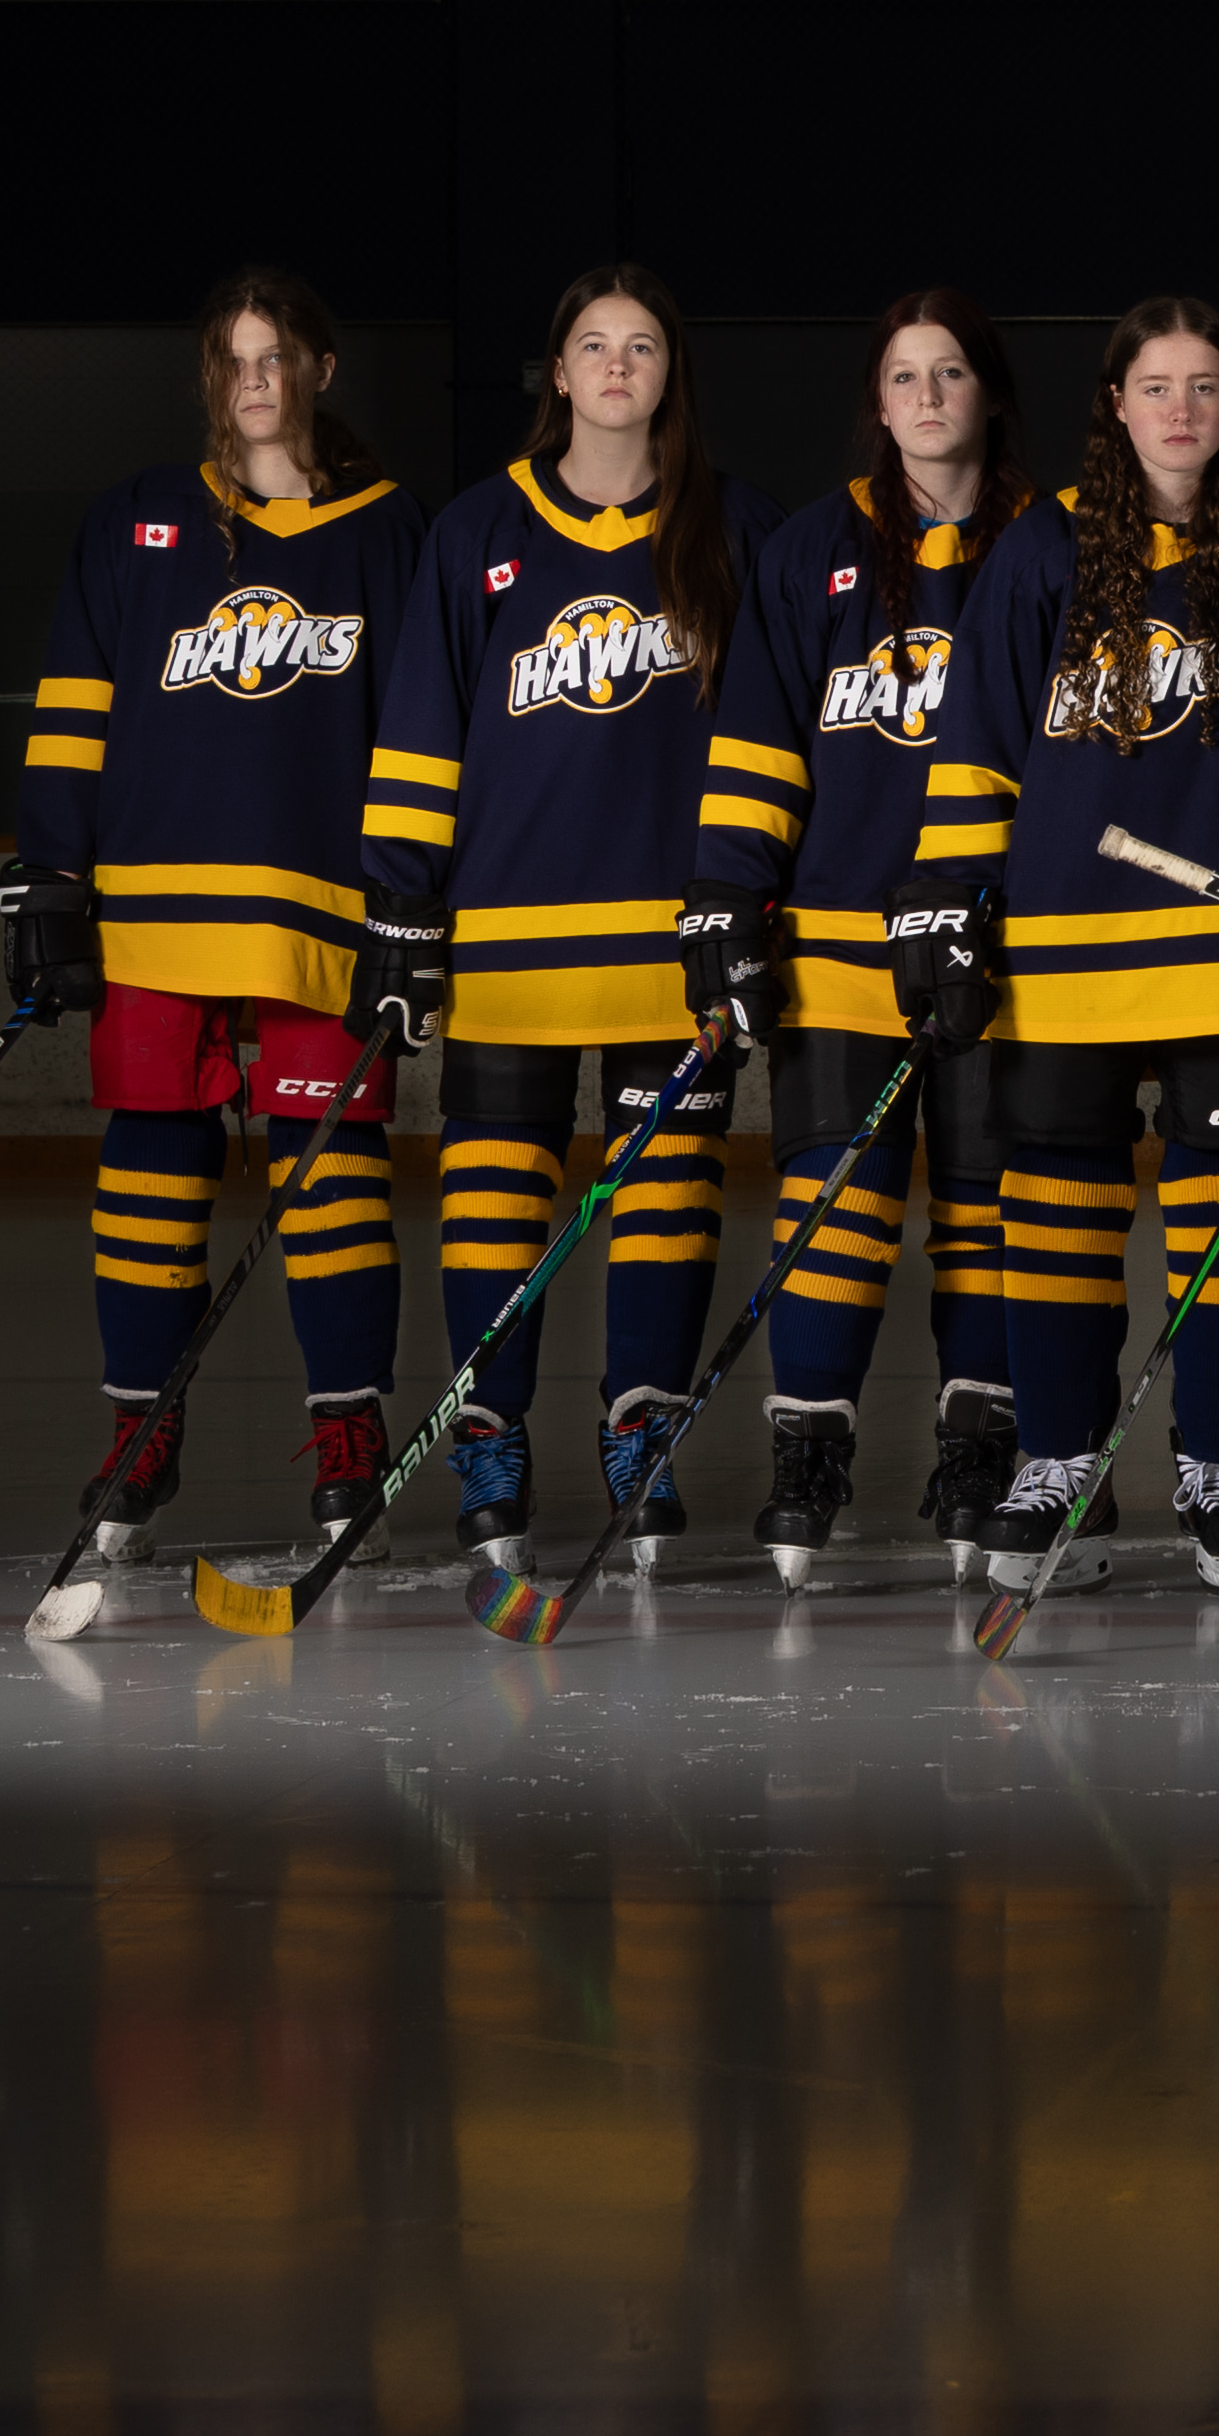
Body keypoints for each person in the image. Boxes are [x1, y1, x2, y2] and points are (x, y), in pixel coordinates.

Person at [351, 266, 777, 1567]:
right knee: (492, 1198)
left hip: (675, 939)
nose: (616, 365)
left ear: (669, 371)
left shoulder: (732, 525)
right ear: (558, 370)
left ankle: (640, 1425)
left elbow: (771, 730)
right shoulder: (479, 528)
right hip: (508, 935)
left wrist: (750, 896)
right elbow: (422, 725)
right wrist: (401, 906)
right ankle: (490, 1432)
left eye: (641, 345)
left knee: (667, 1192)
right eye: (594, 344)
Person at [1, 268, 424, 1558]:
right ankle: (142, 1427)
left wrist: (413, 903)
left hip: (322, 912)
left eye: (275, 355)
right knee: (148, 1170)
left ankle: (348, 1435)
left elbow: (420, 731)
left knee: (333, 1175)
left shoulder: (388, 529)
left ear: (320, 370)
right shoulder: (135, 519)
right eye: (233, 360)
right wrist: (48, 874)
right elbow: (75, 703)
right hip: (154, 908)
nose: (254, 380)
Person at [908, 299, 1219, 1601]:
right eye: (1155, 386)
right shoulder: (1042, 548)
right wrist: (948, 907)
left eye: (1203, 385)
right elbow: (977, 742)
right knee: (1054, 1219)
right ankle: (1059, 1468)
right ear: (1115, 405)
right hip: (1063, 955)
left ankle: (1216, 1469)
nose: (1180, 410)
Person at [683, 286, 1030, 1584]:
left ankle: (979, 1443)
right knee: (832, 1201)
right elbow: (760, 744)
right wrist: (727, 895)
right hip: (839, 942)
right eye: (904, 376)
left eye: (950, 372)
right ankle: (808, 1447)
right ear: (878, 403)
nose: (928, 396)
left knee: (990, 1202)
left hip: (1000, 947)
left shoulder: (1046, 544)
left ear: (986, 392)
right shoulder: (811, 550)